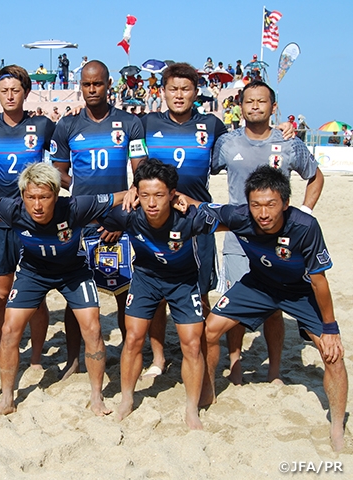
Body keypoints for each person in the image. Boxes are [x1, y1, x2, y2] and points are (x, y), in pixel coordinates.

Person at [197, 165, 348, 452]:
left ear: (285, 203)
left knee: (332, 354)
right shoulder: (239, 216)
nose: (263, 213)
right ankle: (208, 392)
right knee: (209, 330)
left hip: (300, 291)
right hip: (258, 285)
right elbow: (199, 208)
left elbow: (319, 282)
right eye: (256, 205)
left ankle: (337, 425)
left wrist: (330, 328)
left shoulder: (305, 227)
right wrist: (176, 198)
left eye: (270, 204)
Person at [0, 162, 127, 415]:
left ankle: (97, 397)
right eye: (31, 197)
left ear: (56, 194)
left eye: (44, 197)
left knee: (93, 328)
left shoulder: (76, 206)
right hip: (33, 273)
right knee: (9, 330)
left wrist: (137, 191)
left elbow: (121, 196)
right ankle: (7, 400)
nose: (37, 205)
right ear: (22, 196)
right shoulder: (12, 208)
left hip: (73, 271)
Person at [211, 80, 323, 385]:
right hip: (238, 240)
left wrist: (305, 211)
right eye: (249, 102)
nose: (255, 106)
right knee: (232, 305)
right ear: (240, 107)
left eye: (261, 101)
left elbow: (315, 176)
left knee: (275, 309)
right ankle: (235, 365)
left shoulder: (289, 143)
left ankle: (274, 371)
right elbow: (202, 170)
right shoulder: (227, 143)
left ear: (274, 107)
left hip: (278, 243)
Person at [104, 159, 219, 429]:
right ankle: (127, 399)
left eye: (159, 195)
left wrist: (193, 203)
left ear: (172, 194)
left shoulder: (189, 216)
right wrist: (124, 196)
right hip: (146, 278)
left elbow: (230, 216)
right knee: (133, 338)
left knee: (191, 344)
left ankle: (191, 408)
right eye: (145, 195)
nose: (152, 203)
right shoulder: (128, 214)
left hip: (183, 281)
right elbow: (82, 210)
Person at [51, 60, 148, 377]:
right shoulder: (66, 125)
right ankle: (73, 359)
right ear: (81, 86)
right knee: (76, 296)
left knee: (124, 294)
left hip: (119, 221)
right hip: (80, 223)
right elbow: (58, 172)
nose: (92, 89)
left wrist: (119, 217)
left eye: (97, 84)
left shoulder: (130, 123)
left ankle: (128, 358)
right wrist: (79, 191)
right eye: (86, 84)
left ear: (108, 85)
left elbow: (140, 174)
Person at [139, 63, 228, 378]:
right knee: (157, 296)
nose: (179, 95)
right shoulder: (147, 123)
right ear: (163, 92)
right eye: (173, 89)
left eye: (186, 89)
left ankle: (199, 353)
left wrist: (282, 128)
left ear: (195, 92)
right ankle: (158, 358)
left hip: (196, 221)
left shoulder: (212, 125)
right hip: (156, 220)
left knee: (200, 292)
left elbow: (243, 144)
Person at [0, 65, 56, 367]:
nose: (10, 96)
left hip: (33, 220)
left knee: (36, 294)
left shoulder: (42, 125)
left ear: (26, 92)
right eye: (4, 90)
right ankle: (5, 352)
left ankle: (35, 357)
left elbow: (66, 151)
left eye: (15, 90)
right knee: (0, 295)